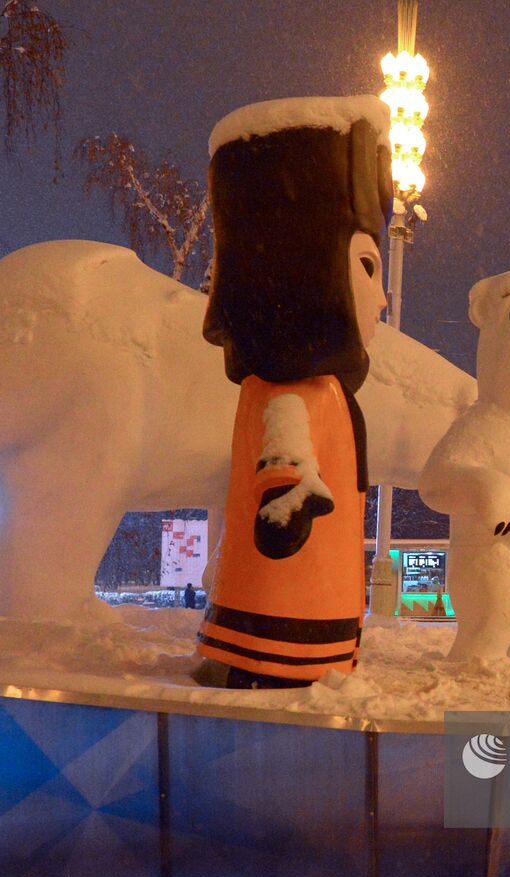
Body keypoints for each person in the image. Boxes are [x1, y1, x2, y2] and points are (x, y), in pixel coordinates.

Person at [191, 96, 392, 690]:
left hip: (303, 605)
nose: (381, 299)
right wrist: (287, 508)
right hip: (286, 618)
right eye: (367, 267)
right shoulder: (290, 394)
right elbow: (284, 469)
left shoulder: (299, 387)